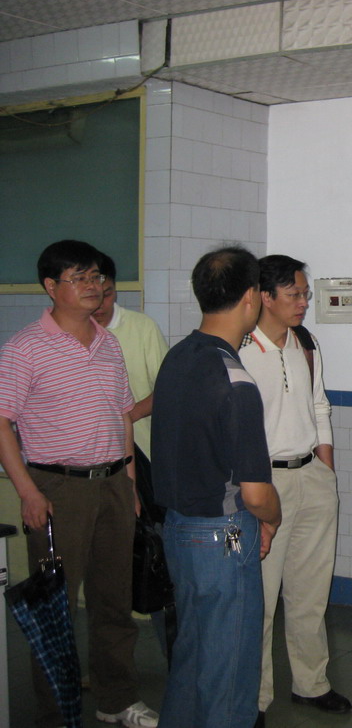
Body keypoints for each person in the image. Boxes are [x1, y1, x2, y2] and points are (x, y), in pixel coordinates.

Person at [0, 239, 158, 728]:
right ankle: (56, 714)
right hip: (58, 489)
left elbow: (122, 416)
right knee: (57, 606)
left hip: (113, 484)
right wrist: (28, 492)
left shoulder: (108, 343)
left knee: (114, 600)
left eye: (97, 277)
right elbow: (1, 422)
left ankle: (116, 700)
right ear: (51, 286)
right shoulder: (25, 347)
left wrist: (129, 482)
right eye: (80, 278)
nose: (94, 286)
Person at [151, 246, 281, 728]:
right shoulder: (235, 379)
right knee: (230, 668)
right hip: (223, 539)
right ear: (251, 297)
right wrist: (272, 519)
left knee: (193, 654)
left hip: (178, 530)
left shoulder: (178, 357)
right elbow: (255, 492)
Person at [238, 255, 350, 724]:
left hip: (312, 477)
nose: (304, 302)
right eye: (295, 294)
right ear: (265, 296)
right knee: (260, 599)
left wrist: (326, 469)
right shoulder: (240, 348)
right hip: (264, 483)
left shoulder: (306, 342)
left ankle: (311, 683)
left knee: (310, 592)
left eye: (305, 293)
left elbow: (319, 405)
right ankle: (255, 698)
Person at [93, 252, 168, 468]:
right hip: (88, 455)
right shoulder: (68, 335)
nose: (100, 304)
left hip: (142, 448)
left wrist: (125, 417)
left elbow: (167, 388)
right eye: (93, 296)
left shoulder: (142, 327)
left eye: (107, 294)